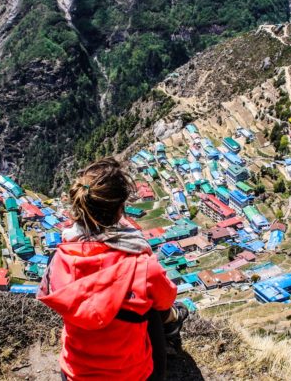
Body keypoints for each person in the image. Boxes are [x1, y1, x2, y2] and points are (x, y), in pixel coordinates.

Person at [37, 158, 188, 381]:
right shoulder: (141, 266)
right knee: (154, 310)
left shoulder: (60, 259)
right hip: (133, 376)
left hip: (73, 375)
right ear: (120, 210)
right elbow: (166, 299)